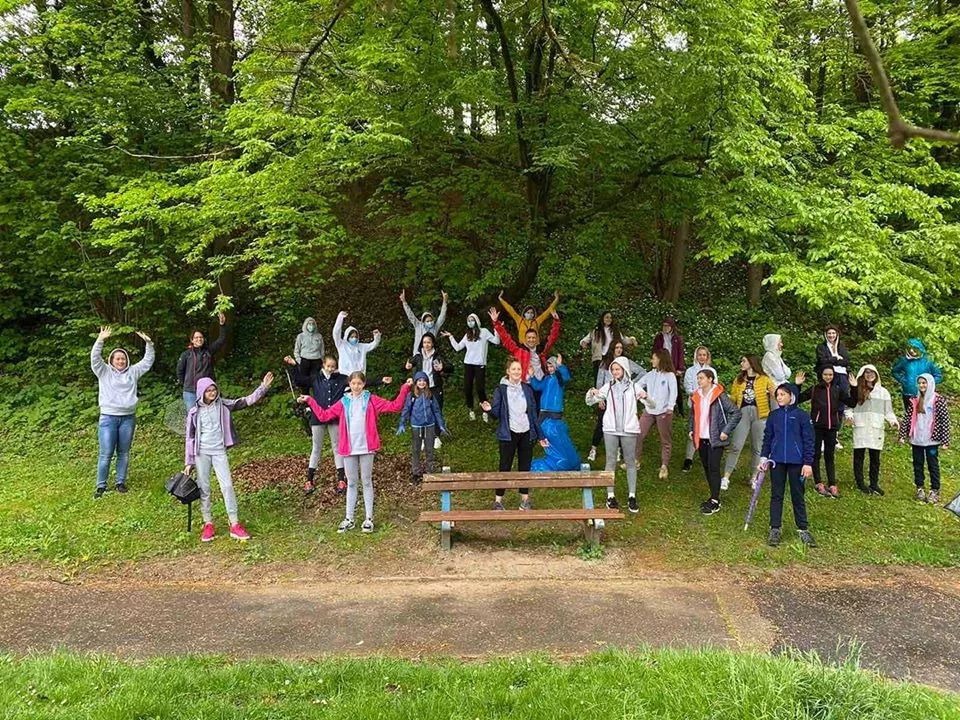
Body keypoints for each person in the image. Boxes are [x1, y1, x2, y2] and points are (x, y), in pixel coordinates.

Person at [298, 375, 412, 533]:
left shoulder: (371, 399)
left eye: (359, 383)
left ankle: (368, 519)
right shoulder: (344, 402)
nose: (356, 386)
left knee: (366, 481)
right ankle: (349, 518)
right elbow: (324, 415)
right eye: (353, 383)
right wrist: (310, 400)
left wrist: (405, 388)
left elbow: (395, 406)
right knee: (351, 483)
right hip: (349, 448)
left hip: (366, 447)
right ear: (349, 384)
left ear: (364, 384)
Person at [284, 354, 392, 496]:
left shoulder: (341, 379)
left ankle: (341, 479)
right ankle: (309, 479)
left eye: (333, 367)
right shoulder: (315, 378)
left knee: (337, 447)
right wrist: (294, 366)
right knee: (316, 448)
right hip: (317, 417)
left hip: (334, 418)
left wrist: (380, 380)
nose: (330, 369)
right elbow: (299, 381)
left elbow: (359, 381)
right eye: (328, 366)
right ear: (323, 365)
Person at [184, 373, 274, 542]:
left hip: (219, 451)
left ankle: (234, 523)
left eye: (214, 390)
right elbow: (190, 438)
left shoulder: (223, 405)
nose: (212, 393)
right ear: (201, 393)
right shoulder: (194, 412)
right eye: (208, 391)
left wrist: (263, 388)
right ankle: (208, 523)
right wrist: (189, 462)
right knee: (204, 488)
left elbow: (245, 401)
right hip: (201, 453)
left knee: (227, 486)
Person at [91, 326, 155, 499]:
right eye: (117, 359)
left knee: (124, 453)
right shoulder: (104, 371)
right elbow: (95, 359)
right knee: (106, 453)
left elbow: (147, 362)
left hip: (128, 418)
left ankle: (120, 482)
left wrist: (149, 344)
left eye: (123, 359)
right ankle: (101, 486)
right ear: (111, 360)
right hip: (108, 418)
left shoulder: (133, 372)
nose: (121, 361)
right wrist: (100, 340)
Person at [479, 358, 549, 511]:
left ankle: (525, 500)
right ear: (508, 371)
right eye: (514, 369)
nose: (517, 372)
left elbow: (533, 415)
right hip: (508, 433)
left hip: (526, 432)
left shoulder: (527, 389)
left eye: (519, 369)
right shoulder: (501, 389)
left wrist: (541, 436)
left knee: (525, 466)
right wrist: (489, 409)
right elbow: (496, 413)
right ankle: (498, 501)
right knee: (505, 466)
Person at [759, 383, 817, 548]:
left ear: (792, 396)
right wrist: (764, 458)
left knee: (797, 494)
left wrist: (808, 463)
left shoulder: (802, 416)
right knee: (776, 494)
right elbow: (768, 438)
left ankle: (803, 529)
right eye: (777, 395)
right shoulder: (773, 415)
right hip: (777, 461)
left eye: (782, 394)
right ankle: (775, 528)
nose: (779, 397)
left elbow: (808, 440)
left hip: (797, 462)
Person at [586, 356, 645, 513]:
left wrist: (645, 397)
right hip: (610, 429)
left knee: (630, 461)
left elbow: (651, 404)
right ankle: (610, 496)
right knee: (610, 461)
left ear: (624, 369)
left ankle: (632, 496)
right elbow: (590, 401)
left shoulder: (634, 387)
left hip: (629, 429)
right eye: (613, 369)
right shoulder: (608, 386)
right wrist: (592, 393)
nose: (615, 372)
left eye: (617, 369)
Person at [795, 367, 856, 498]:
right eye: (826, 374)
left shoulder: (837, 389)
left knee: (829, 455)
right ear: (821, 375)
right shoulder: (814, 389)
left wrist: (854, 387)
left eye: (831, 375)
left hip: (832, 427)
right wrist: (797, 386)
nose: (828, 377)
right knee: (816, 454)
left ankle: (832, 484)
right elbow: (797, 399)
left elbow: (852, 402)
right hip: (817, 427)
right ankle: (818, 482)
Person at [688, 367, 741, 515]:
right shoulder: (696, 395)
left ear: (710, 379)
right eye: (698, 378)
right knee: (706, 467)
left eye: (701, 378)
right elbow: (693, 415)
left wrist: (725, 431)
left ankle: (715, 500)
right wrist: (691, 429)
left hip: (715, 438)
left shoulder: (719, 395)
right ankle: (713, 496)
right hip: (701, 437)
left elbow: (736, 413)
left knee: (713, 468)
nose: (699, 381)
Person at [722, 355, 775, 490]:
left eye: (744, 361)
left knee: (758, 447)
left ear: (752, 363)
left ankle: (754, 477)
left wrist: (773, 395)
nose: (741, 363)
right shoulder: (739, 380)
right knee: (736, 445)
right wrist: (725, 397)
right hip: (743, 414)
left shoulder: (765, 379)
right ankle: (726, 477)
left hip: (760, 415)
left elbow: (775, 395)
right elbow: (733, 398)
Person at [587, 341, 645, 463]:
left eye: (621, 347)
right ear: (612, 349)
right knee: (601, 424)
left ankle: (618, 450)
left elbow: (642, 372)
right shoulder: (604, 363)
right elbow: (599, 381)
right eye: (617, 347)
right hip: (607, 397)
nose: (619, 349)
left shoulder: (627, 362)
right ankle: (593, 448)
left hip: (622, 400)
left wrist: (632, 384)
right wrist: (600, 398)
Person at [845, 365, 898, 496]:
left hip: (876, 427)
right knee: (859, 456)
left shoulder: (883, 392)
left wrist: (893, 421)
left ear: (876, 374)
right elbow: (849, 407)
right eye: (867, 372)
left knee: (875, 457)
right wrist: (849, 416)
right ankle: (860, 483)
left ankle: (874, 483)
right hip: (861, 426)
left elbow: (888, 411)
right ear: (862, 374)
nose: (869, 375)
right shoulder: (856, 390)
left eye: (872, 372)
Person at [898, 373, 951, 504]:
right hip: (917, 439)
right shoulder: (915, 400)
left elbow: (945, 421)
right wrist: (902, 435)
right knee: (918, 464)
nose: (922, 385)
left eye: (924, 383)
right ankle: (920, 487)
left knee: (933, 464)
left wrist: (945, 440)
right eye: (920, 383)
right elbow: (907, 419)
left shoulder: (938, 400)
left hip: (932, 439)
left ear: (930, 384)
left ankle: (935, 490)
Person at [443, 313, 500, 422]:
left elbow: (497, 341)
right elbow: (458, 347)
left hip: (480, 364)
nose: (470, 322)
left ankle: (485, 411)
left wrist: (496, 328)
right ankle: (471, 410)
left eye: (472, 320)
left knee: (480, 388)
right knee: (468, 388)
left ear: (477, 321)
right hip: (468, 364)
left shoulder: (484, 332)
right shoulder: (467, 334)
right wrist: (450, 337)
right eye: (468, 320)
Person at [529, 354, 580, 472]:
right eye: (548, 367)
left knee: (555, 435)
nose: (550, 369)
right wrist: (532, 376)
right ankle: (532, 447)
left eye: (552, 366)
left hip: (554, 412)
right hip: (544, 412)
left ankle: (561, 459)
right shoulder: (547, 379)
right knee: (540, 432)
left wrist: (560, 365)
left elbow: (566, 377)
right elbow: (537, 387)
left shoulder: (559, 378)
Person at [398, 372, 448, 485]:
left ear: (427, 382)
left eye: (424, 380)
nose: (422, 383)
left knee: (430, 450)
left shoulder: (430, 395)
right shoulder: (411, 396)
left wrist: (441, 424)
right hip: (416, 426)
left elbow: (436, 411)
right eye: (419, 381)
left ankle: (430, 472)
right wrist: (402, 423)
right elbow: (406, 410)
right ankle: (416, 474)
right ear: (416, 382)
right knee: (416, 450)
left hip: (430, 425)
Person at [635, 349, 678, 480]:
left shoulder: (670, 375)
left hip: (663, 412)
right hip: (649, 411)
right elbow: (637, 385)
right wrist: (641, 395)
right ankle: (636, 461)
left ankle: (664, 466)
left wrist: (670, 407)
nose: (651, 360)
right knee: (638, 434)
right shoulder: (650, 374)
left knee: (665, 439)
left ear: (660, 359)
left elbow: (674, 392)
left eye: (654, 358)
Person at [405, 332, 453, 448]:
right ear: (422, 344)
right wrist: (407, 366)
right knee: (421, 412)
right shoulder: (418, 356)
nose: (426, 345)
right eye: (424, 342)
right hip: (421, 388)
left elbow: (451, 367)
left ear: (433, 344)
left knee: (436, 411)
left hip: (435, 388)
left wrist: (442, 368)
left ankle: (436, 436)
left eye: (429, 342)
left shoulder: (437, 357)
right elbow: (408, 363)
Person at [489, 306, 561, 383]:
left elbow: (552, 338)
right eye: (529, 338)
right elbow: (505, 338)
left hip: (541, 383)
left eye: (533, 338)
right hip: (526, 384)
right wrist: (496, 322)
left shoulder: (541, 351)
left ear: (536, 339)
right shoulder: (519, 350)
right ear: (525, 339)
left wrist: (556, 322)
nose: (531, 340)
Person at [176, 311, 227, 407]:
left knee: (210, 414)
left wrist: (222, 324)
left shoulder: (208, 351)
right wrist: (187, 384)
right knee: (193, 414)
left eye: (201, 337)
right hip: (191, 392)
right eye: (196, 338)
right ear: (192, 340)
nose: (199, 339)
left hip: (208, 391)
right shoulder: (186, 354)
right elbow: (180, 372)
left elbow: (221, 340)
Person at [892, 339, 943, 413]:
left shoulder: (928, 361)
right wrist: (903, 380)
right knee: (910, 416)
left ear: (920, 349)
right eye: (910, 348)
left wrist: (929, 384)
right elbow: (895, 371)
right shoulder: (905, 361)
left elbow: (938, 376)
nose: (911, 351)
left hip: (924, 394)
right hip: (908, 393)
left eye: (914, 348)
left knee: (924, 415)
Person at [580, 311, 637, 377]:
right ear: (602, 318)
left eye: (610, 318)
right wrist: (583, 343)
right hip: (599, 358)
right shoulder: (595, 331)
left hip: (612, 357)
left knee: (613, 377)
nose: (609, 319)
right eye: (607, 317)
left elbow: (624, 340)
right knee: (599, 378)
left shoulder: (615, 331)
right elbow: (585, 340)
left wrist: (632, 340)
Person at [682, 345, 712, 472]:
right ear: (696, 356)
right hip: (695, 404)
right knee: (693, 429)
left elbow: (714, 386)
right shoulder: (690, 371)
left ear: (707, 356)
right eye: (700, 355)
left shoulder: (711, 371)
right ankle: (689, 458)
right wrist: (698, 394)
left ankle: (708, 456)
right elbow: (688, 387)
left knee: (708, 429)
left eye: (704, 355)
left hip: (708, 405)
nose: (702, 357)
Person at [400, 289, 448, 356]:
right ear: (423, 322)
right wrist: (404, 302)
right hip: (418, 355)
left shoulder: (435, 327)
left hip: (430, 355)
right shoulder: (418, 325)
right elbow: (410, 315)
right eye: (427, 321)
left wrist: (445, 301)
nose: (430, 322)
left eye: (431, 320)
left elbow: (442, 316)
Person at [332, 310, 381, 375]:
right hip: (345, 375)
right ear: (347, 336)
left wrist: (377, 336)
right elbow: (336, 333)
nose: (354, 338)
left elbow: (374, 344)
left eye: (355, 337)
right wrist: (340, 318)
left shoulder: (361, 347)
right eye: (351, 337)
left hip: (359, 376)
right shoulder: (341, 345)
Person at [814, 324, 851, 395]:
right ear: (825, 335)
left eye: (833, 333)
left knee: (843, 395)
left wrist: (831, 361)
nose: (831, 335)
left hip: (842, 375)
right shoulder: (821, 347)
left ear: (837, 334)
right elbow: (822, 361)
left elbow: (846, 362)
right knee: (830, 395)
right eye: (829, 333)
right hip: (828, 375)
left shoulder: (842, 347)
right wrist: (836, 358)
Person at [293, 317, 325, 391]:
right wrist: (299, 361)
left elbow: (322, 349)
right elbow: (296, 350)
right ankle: (305, 396)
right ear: (306, 325)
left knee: (316, 381)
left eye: (313, 324)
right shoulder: (300, 336)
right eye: (309, 324)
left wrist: (322, 360)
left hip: (316, 360)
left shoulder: (319, 336)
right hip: (304, 360)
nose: (311, 326)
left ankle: (316, 397)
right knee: (304, 382)